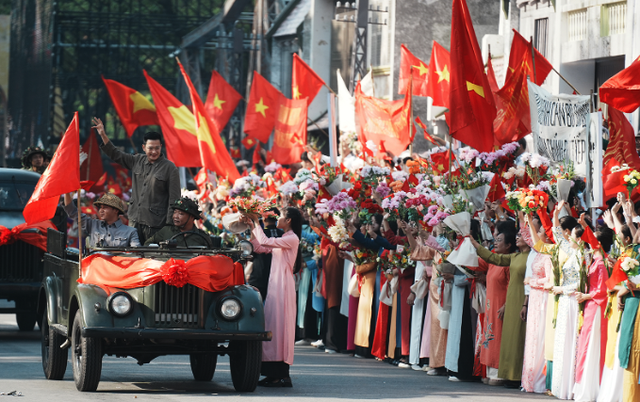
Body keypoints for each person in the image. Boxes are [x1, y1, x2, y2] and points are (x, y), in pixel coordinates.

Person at [93, 117, 180, 244]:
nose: (154, 152)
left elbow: (174, 200)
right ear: (144, 147)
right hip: (134, 222)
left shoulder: (169, 168)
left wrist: (169, 226)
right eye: (150, 148)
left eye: (157, 148)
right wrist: (103, 135)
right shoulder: (137, 160)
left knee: (153, 259)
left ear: (161, 147)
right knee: (133, 257)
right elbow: (116, 154)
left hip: (156, 226)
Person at [244, 207, 302, 387]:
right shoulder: (285, 238)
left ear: (289, 220)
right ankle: (272, 373)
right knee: (273, 326)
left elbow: (265, 240)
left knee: (280, 328)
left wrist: (256, 222)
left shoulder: (291, 238)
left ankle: (282, 374)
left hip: (283, 287)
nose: (278, 220)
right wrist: (251, 226)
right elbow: (260, 247)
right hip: (276, 286)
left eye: (282, 217)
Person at [63, 192, 141, 248]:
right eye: (100, 207)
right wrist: (66, 191)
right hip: (96, 269)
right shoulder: (93, 225)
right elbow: (72, 211)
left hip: (119, 269)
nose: (101, 210)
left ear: (116, 210)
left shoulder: (131, 232)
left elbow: (135, 254)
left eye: (105, 207)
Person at [144, 197, 211, 247]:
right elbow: (147, 245)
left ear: (192, 217)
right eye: (174, 212)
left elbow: (210, 258)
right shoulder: (166, 231)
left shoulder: (202, 237)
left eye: (181, 214)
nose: (175, 216)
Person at [248, 208, 284, 301]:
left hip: (258, 277)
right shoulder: (284, 235)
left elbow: (252, 251)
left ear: (264, 218)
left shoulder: (260, 234)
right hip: (278, 279)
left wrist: (253, 227)